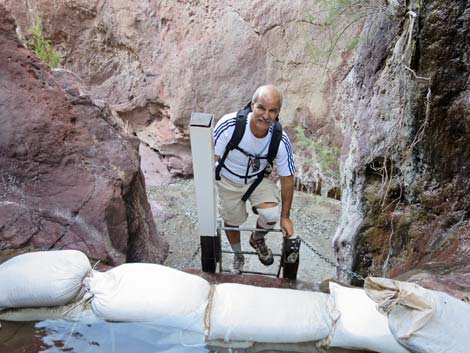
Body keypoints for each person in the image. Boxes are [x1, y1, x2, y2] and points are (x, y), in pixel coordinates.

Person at [213, 84, 296, 271]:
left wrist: (285, 217)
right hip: (228, 179)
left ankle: (257, 239)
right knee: (232, 220)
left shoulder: (279, 139)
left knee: (271, 214)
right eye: (261, 108)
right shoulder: (230, 125)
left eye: (272, 111)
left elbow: (287, 179)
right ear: (252, 105)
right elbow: (210, 158)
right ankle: (237, 254)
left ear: (278, 113)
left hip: (257, 179)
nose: (266, 116)